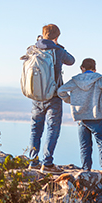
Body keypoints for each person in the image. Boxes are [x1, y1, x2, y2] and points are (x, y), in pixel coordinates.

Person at [57, 58, 102, 184]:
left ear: (82, 68)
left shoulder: (75, 80)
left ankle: (86, 170)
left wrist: (71, 101)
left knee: (85, 145)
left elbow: (61, 91)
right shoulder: (99, 78)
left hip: (81, 116)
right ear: (94, 69)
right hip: (96, 116)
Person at [28, 24, 75, 174]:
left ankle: (33, 162)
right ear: (56, 37)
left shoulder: (33, 49)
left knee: (36, 128)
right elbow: (71, 60)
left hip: (36, 96)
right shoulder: (58, 50)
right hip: (53, 96)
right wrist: (58, 46)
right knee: (52, 128)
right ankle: (47, 164)